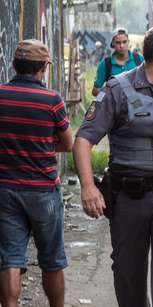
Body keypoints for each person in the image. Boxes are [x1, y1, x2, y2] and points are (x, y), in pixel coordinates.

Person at [72, 24, 153, 307]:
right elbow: (83, 140)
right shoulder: (117, 90)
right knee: (128, 274)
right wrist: (88, 188)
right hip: (129, 198)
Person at [0, 39, 73, 307]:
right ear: (44, 67)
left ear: (14, 65)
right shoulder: (51, 99)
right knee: (52, 259)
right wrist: (44, 143)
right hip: (43, 190)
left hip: (5, 189)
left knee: (10, 257)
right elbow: (67, 143)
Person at [92, 27, 144, 97]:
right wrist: (109, 97)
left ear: (128, 42)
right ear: (113, 43)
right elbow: (95, 91)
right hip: (115, 106)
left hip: (138, 105)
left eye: (124, 42)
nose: (121, 45)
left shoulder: (139, 59)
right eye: (118, 42)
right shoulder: (106, 64)